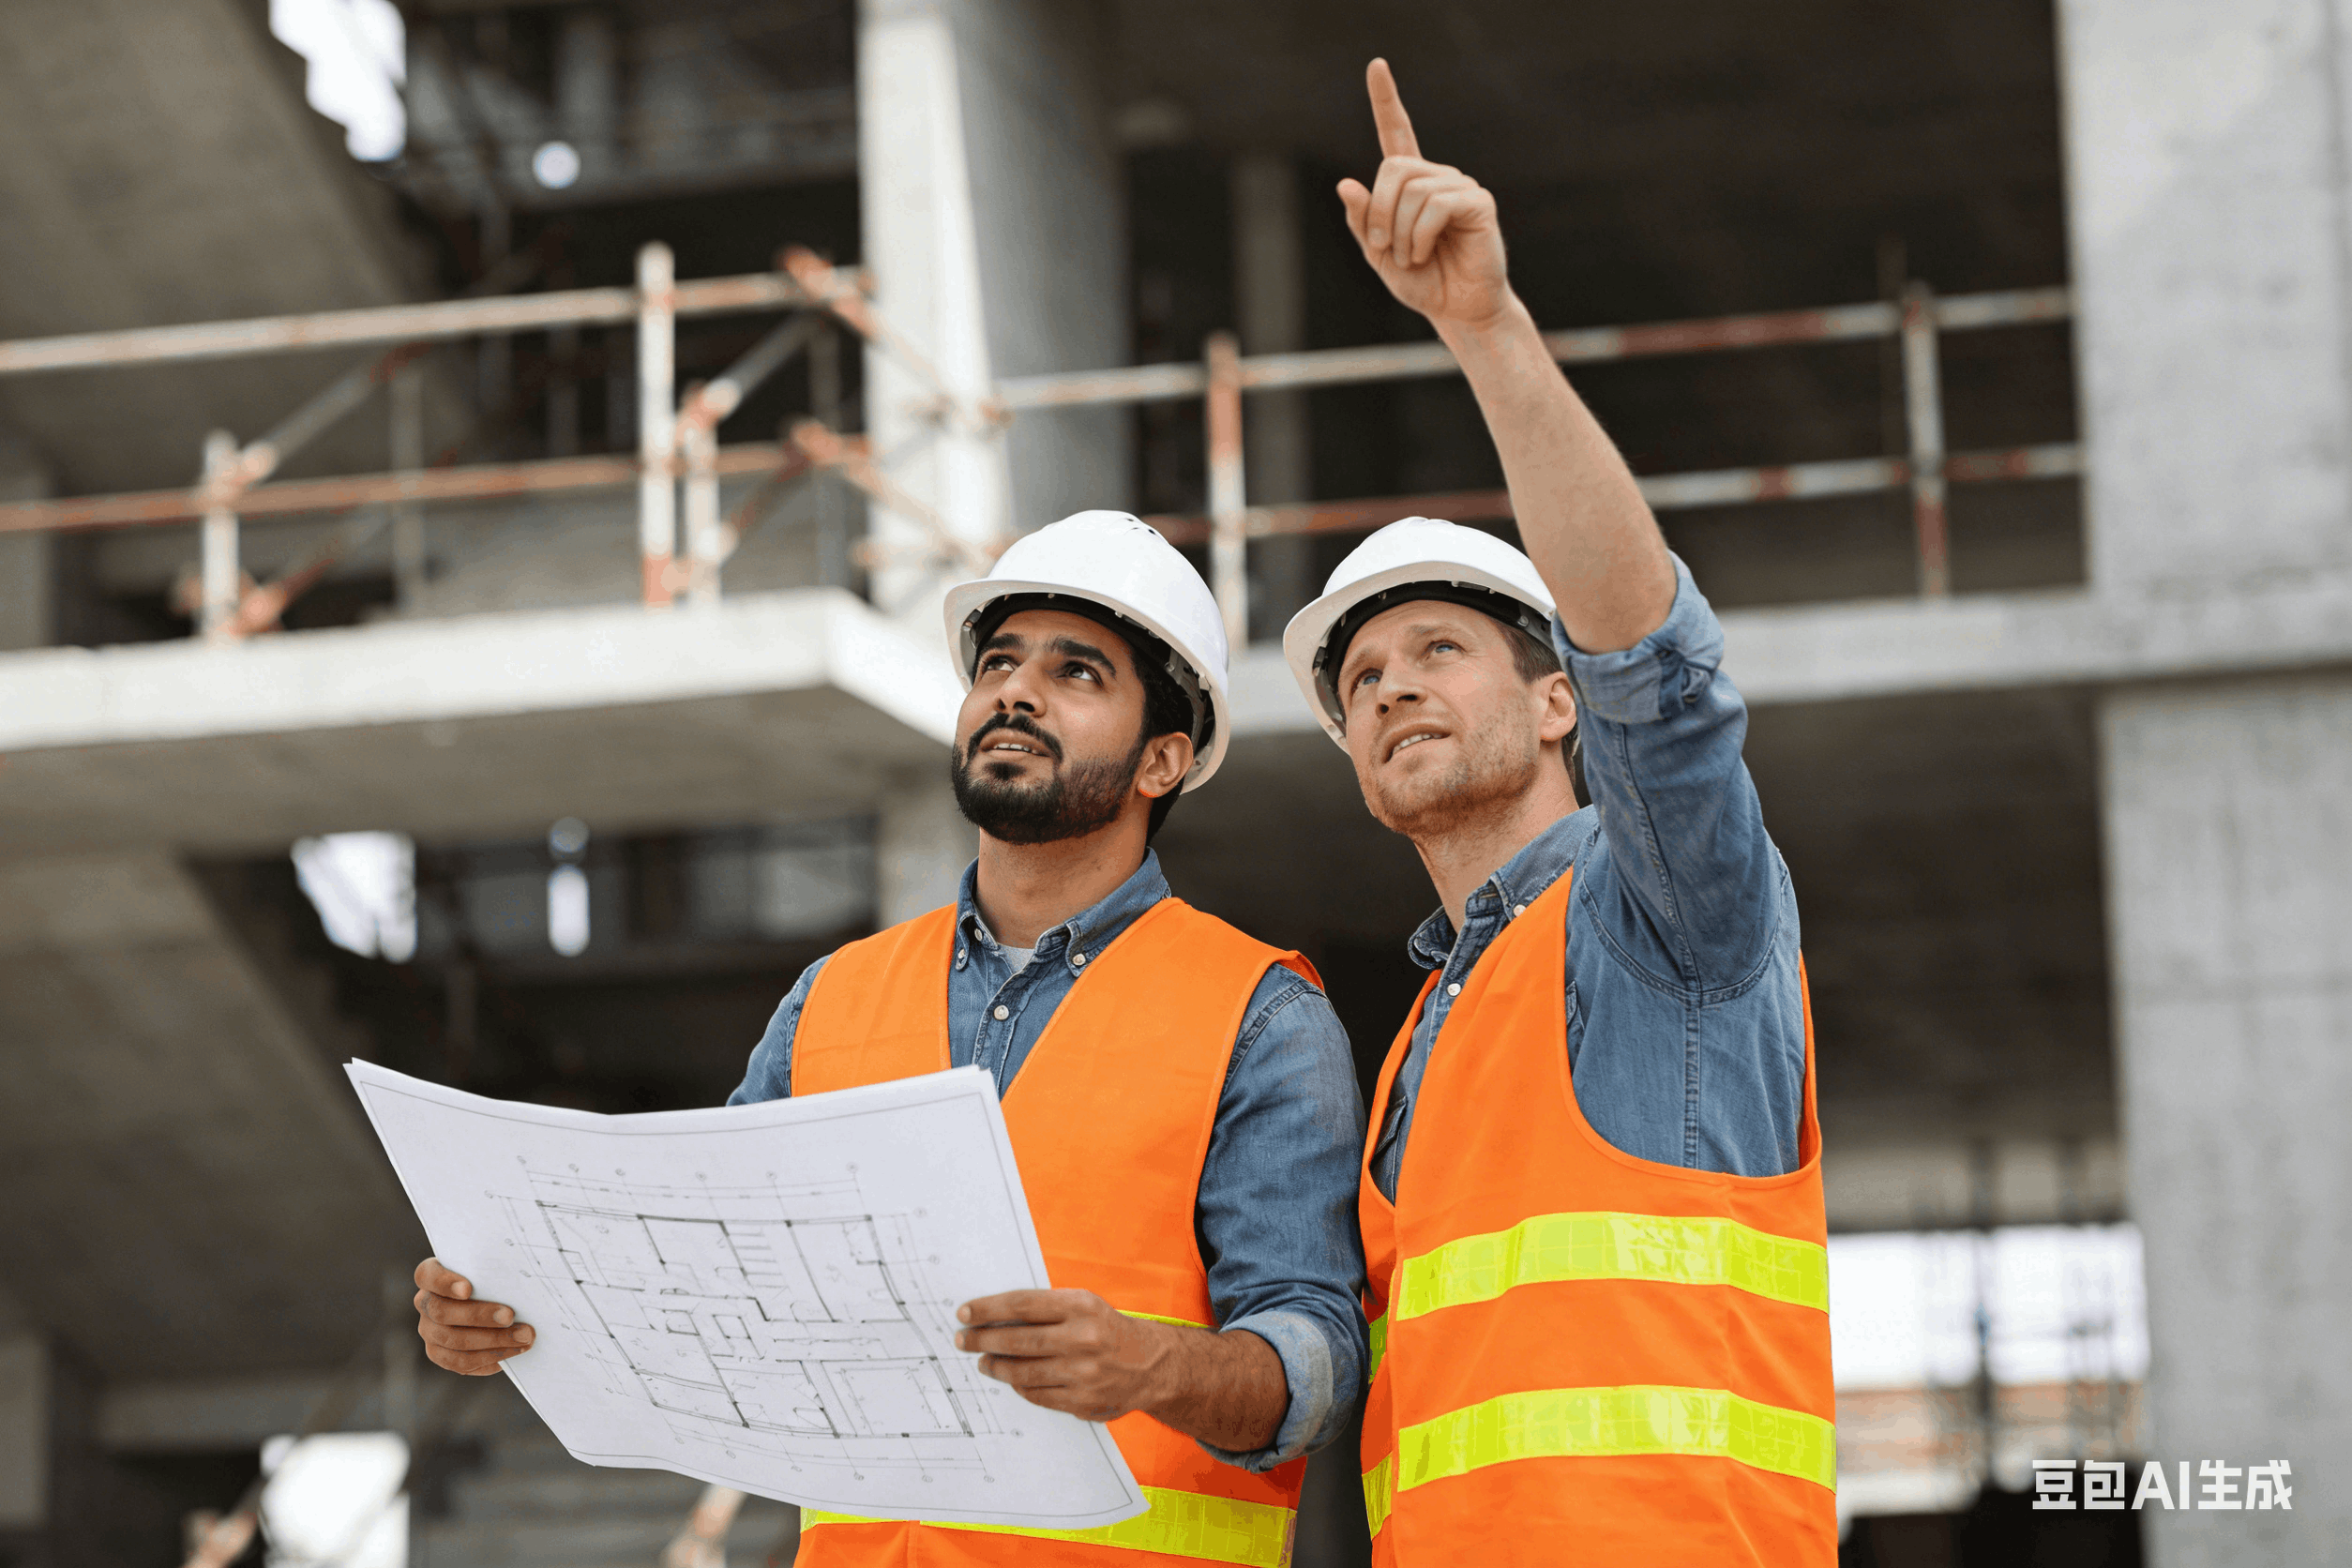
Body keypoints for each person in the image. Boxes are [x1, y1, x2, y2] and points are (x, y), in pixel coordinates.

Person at [412, 511, 1367, 1567]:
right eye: (998, 661)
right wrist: (522, 1315)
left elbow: (1318, 1361)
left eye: (1077, 672)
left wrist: (1150, 1368)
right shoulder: (834, 998)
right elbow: (702, 1281)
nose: (1015, 690)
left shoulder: (1260, 1013)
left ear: (1163, 760)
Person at [1277, 61, 1834, 1564]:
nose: (1390, 690)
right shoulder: (1423, 1041)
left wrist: (1485, 331)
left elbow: (1658, 670)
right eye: (1363, 679)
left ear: (1552, 703)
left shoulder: (1658, 918)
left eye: (1438, 651)